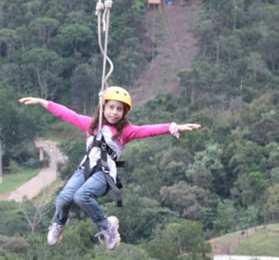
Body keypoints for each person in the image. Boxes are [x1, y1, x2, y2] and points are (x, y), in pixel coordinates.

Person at [19, 86, 201, 251]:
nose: (114, 112)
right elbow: (67, 114)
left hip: (104, 174)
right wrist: (43, 102)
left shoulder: (126, 131)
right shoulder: (90, 125)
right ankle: (59, 224)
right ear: (103, 107)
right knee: (63, 199)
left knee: (82, 196)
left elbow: (149, 129)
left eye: (119, 109)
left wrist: (173, 127)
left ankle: (108, 228)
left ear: (124, 112)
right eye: (111, 107)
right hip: (85, 169)